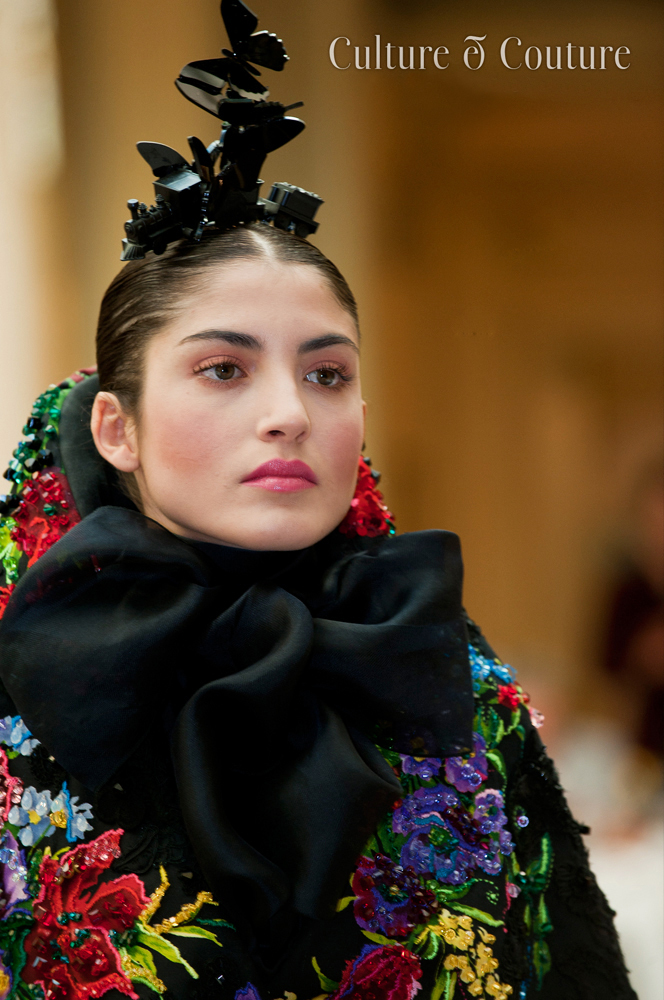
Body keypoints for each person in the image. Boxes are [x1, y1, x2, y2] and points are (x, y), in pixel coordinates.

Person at [0, 5, 638, 999]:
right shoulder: (29, 687)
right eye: (223, 369)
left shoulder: (442, 683)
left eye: (327, 374)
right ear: (116, 429)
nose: (289, 414)